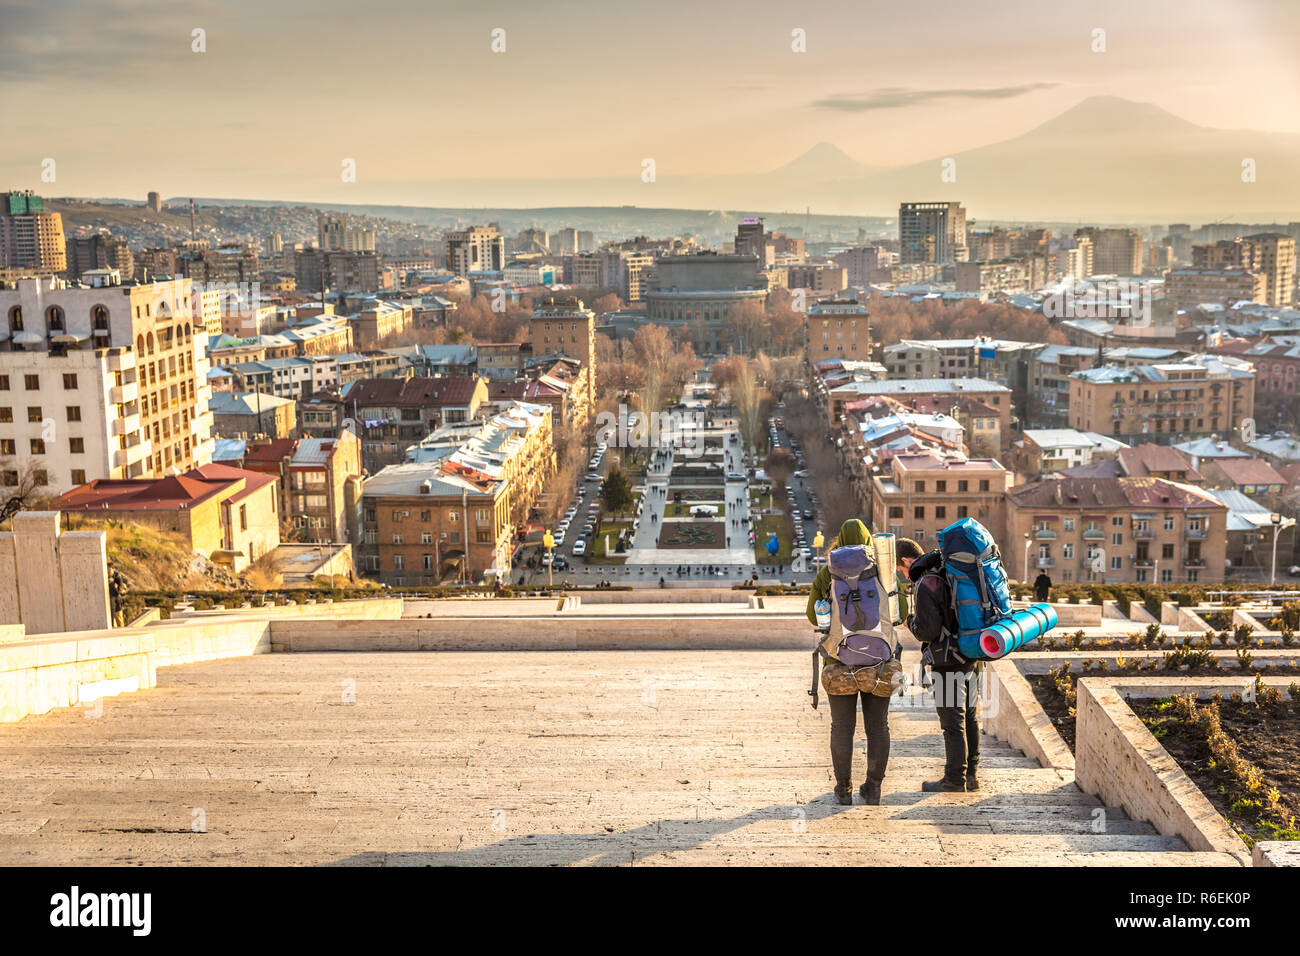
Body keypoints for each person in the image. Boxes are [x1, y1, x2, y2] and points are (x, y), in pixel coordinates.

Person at [805, 518, 893, 806]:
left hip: (838, 660)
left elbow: (811, 615)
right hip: (879, 663)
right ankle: (874, 788)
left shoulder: (828, 572)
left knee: (841, 728)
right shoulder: (884, 571)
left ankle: (843, 790)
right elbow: (902, 611)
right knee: (878, 727)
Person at [907, 549, 981, 793]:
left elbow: (927, 631)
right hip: (972, 653)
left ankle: (954, 779)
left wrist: (910, 622)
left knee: (952, 723)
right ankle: (971, 775)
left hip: (947, 660)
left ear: (905, 562)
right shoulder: (956, 574)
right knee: (970, 717)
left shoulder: (927, 583)